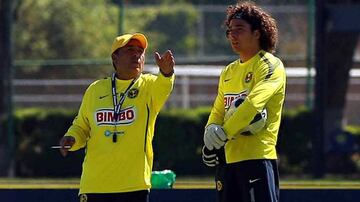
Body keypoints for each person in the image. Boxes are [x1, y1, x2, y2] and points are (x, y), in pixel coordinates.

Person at [59, 33, 175, 202]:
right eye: (130, 50)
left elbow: (165, 86)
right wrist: (72, 138)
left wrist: (167, 72)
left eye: (140, 51)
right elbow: (81, 126)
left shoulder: (149, 86)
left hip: (134, 186)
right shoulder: (95, 89)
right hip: (94, 185)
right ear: (115, 57)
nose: (136, 54)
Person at [202, 1, 286, 202]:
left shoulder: (270, 65)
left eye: (239, 30)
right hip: (228, 162)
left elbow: (253, 104)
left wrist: (223, 133)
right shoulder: (229, 71)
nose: (232, 35)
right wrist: (210, 135)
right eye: (230, 31)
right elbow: (218, 109)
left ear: (257, 33)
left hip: (257, 159)